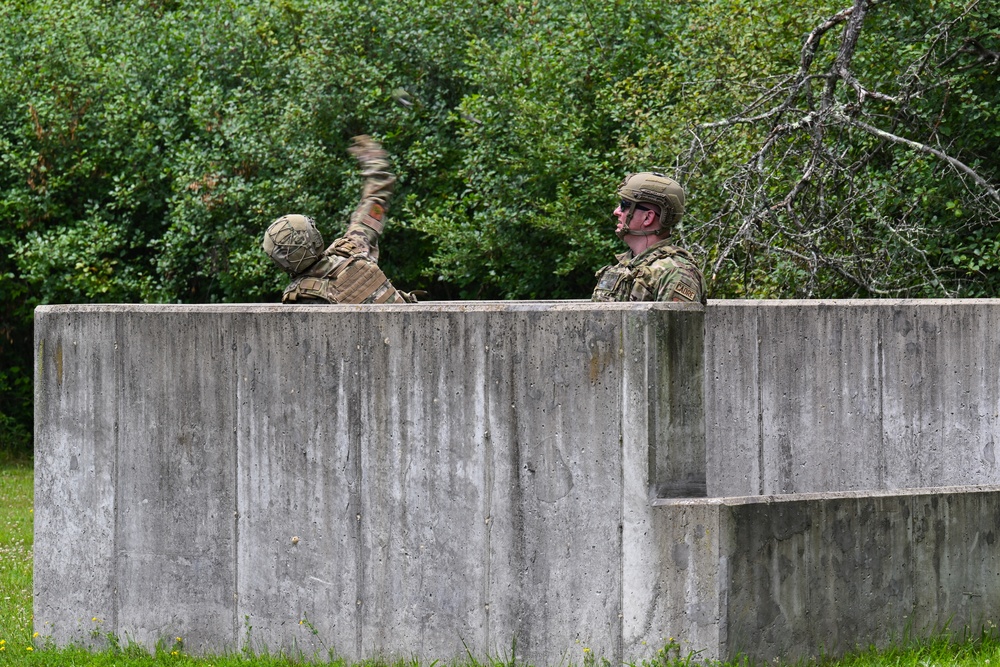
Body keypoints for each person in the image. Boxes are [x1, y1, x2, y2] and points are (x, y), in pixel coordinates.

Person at [262, 135, 415, 304]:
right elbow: (375, 204)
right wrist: (373, 161)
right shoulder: (354, 248)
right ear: (315, 239)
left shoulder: (301, 297)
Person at [591, 172, 706, 304]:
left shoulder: (675, 273)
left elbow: (675, 324)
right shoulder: (626, 266)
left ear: (648, 217)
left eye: (624, 205)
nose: (616, 212)